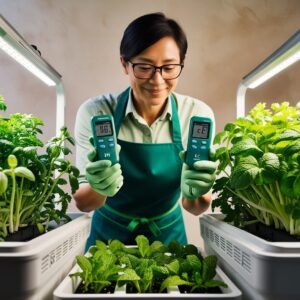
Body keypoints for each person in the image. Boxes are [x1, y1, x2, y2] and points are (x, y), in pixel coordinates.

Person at [74, 12, 217, 249]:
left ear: (181, 63)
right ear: (124, 64)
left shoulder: (196, 115)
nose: (157, 79)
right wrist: (99, 188)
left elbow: (194, 207)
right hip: (107, 240)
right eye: (144, 67)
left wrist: (199, 192)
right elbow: (83, 203)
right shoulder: (97, 112)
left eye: (169, 67)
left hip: (168, 239)